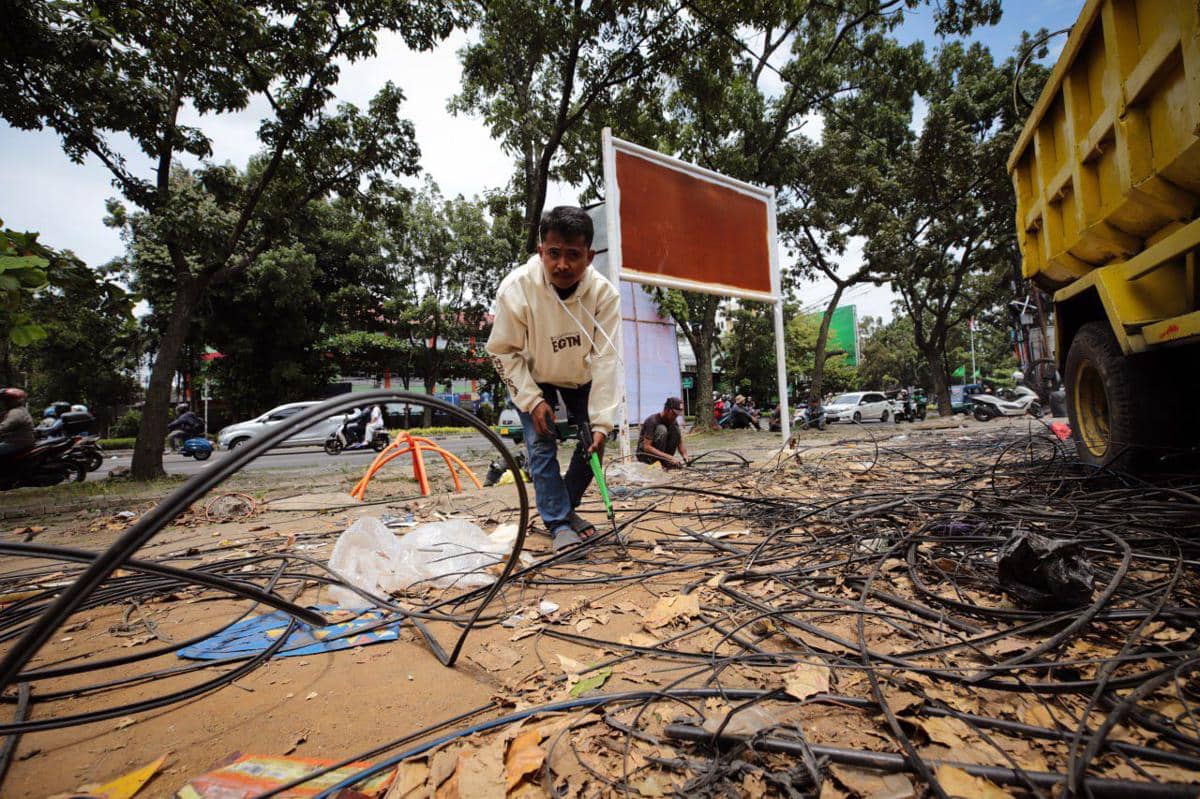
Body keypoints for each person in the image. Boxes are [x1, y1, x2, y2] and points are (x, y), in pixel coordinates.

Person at [486, 206, 620, 553]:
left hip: (581, 376)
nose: (562, 265)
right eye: (554, 253)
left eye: (573, 255)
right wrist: (532, 400)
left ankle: (565, 507)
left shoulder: (605, 296)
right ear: (540, 251)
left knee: (594, 443)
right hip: (534, 373)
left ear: (589, 257)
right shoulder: (515, 289)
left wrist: (604, 422)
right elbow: (502, 351)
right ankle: (559, 521)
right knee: (541, 443)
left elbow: (606, 359)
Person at [637, 397, 688, 468]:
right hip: (646, 457)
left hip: (663, 456)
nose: (675, 417)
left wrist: (684, 455)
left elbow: (679, 441)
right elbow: (647, 447)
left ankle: (664, 462)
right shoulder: (652, 421)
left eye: (677, 415)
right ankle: (660, 461)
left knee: (675, 430)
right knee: (662, 429)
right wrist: (668, 457)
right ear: (667, 409)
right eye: (674, 414)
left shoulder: (673, 421)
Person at [0, 389, 36, 458]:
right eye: (5, 400)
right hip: (19, 442)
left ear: (17, 400)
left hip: (17, 443)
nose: (5, 402)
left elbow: (5, 426)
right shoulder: (16, 410)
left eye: (8, 400)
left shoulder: (16, 412)